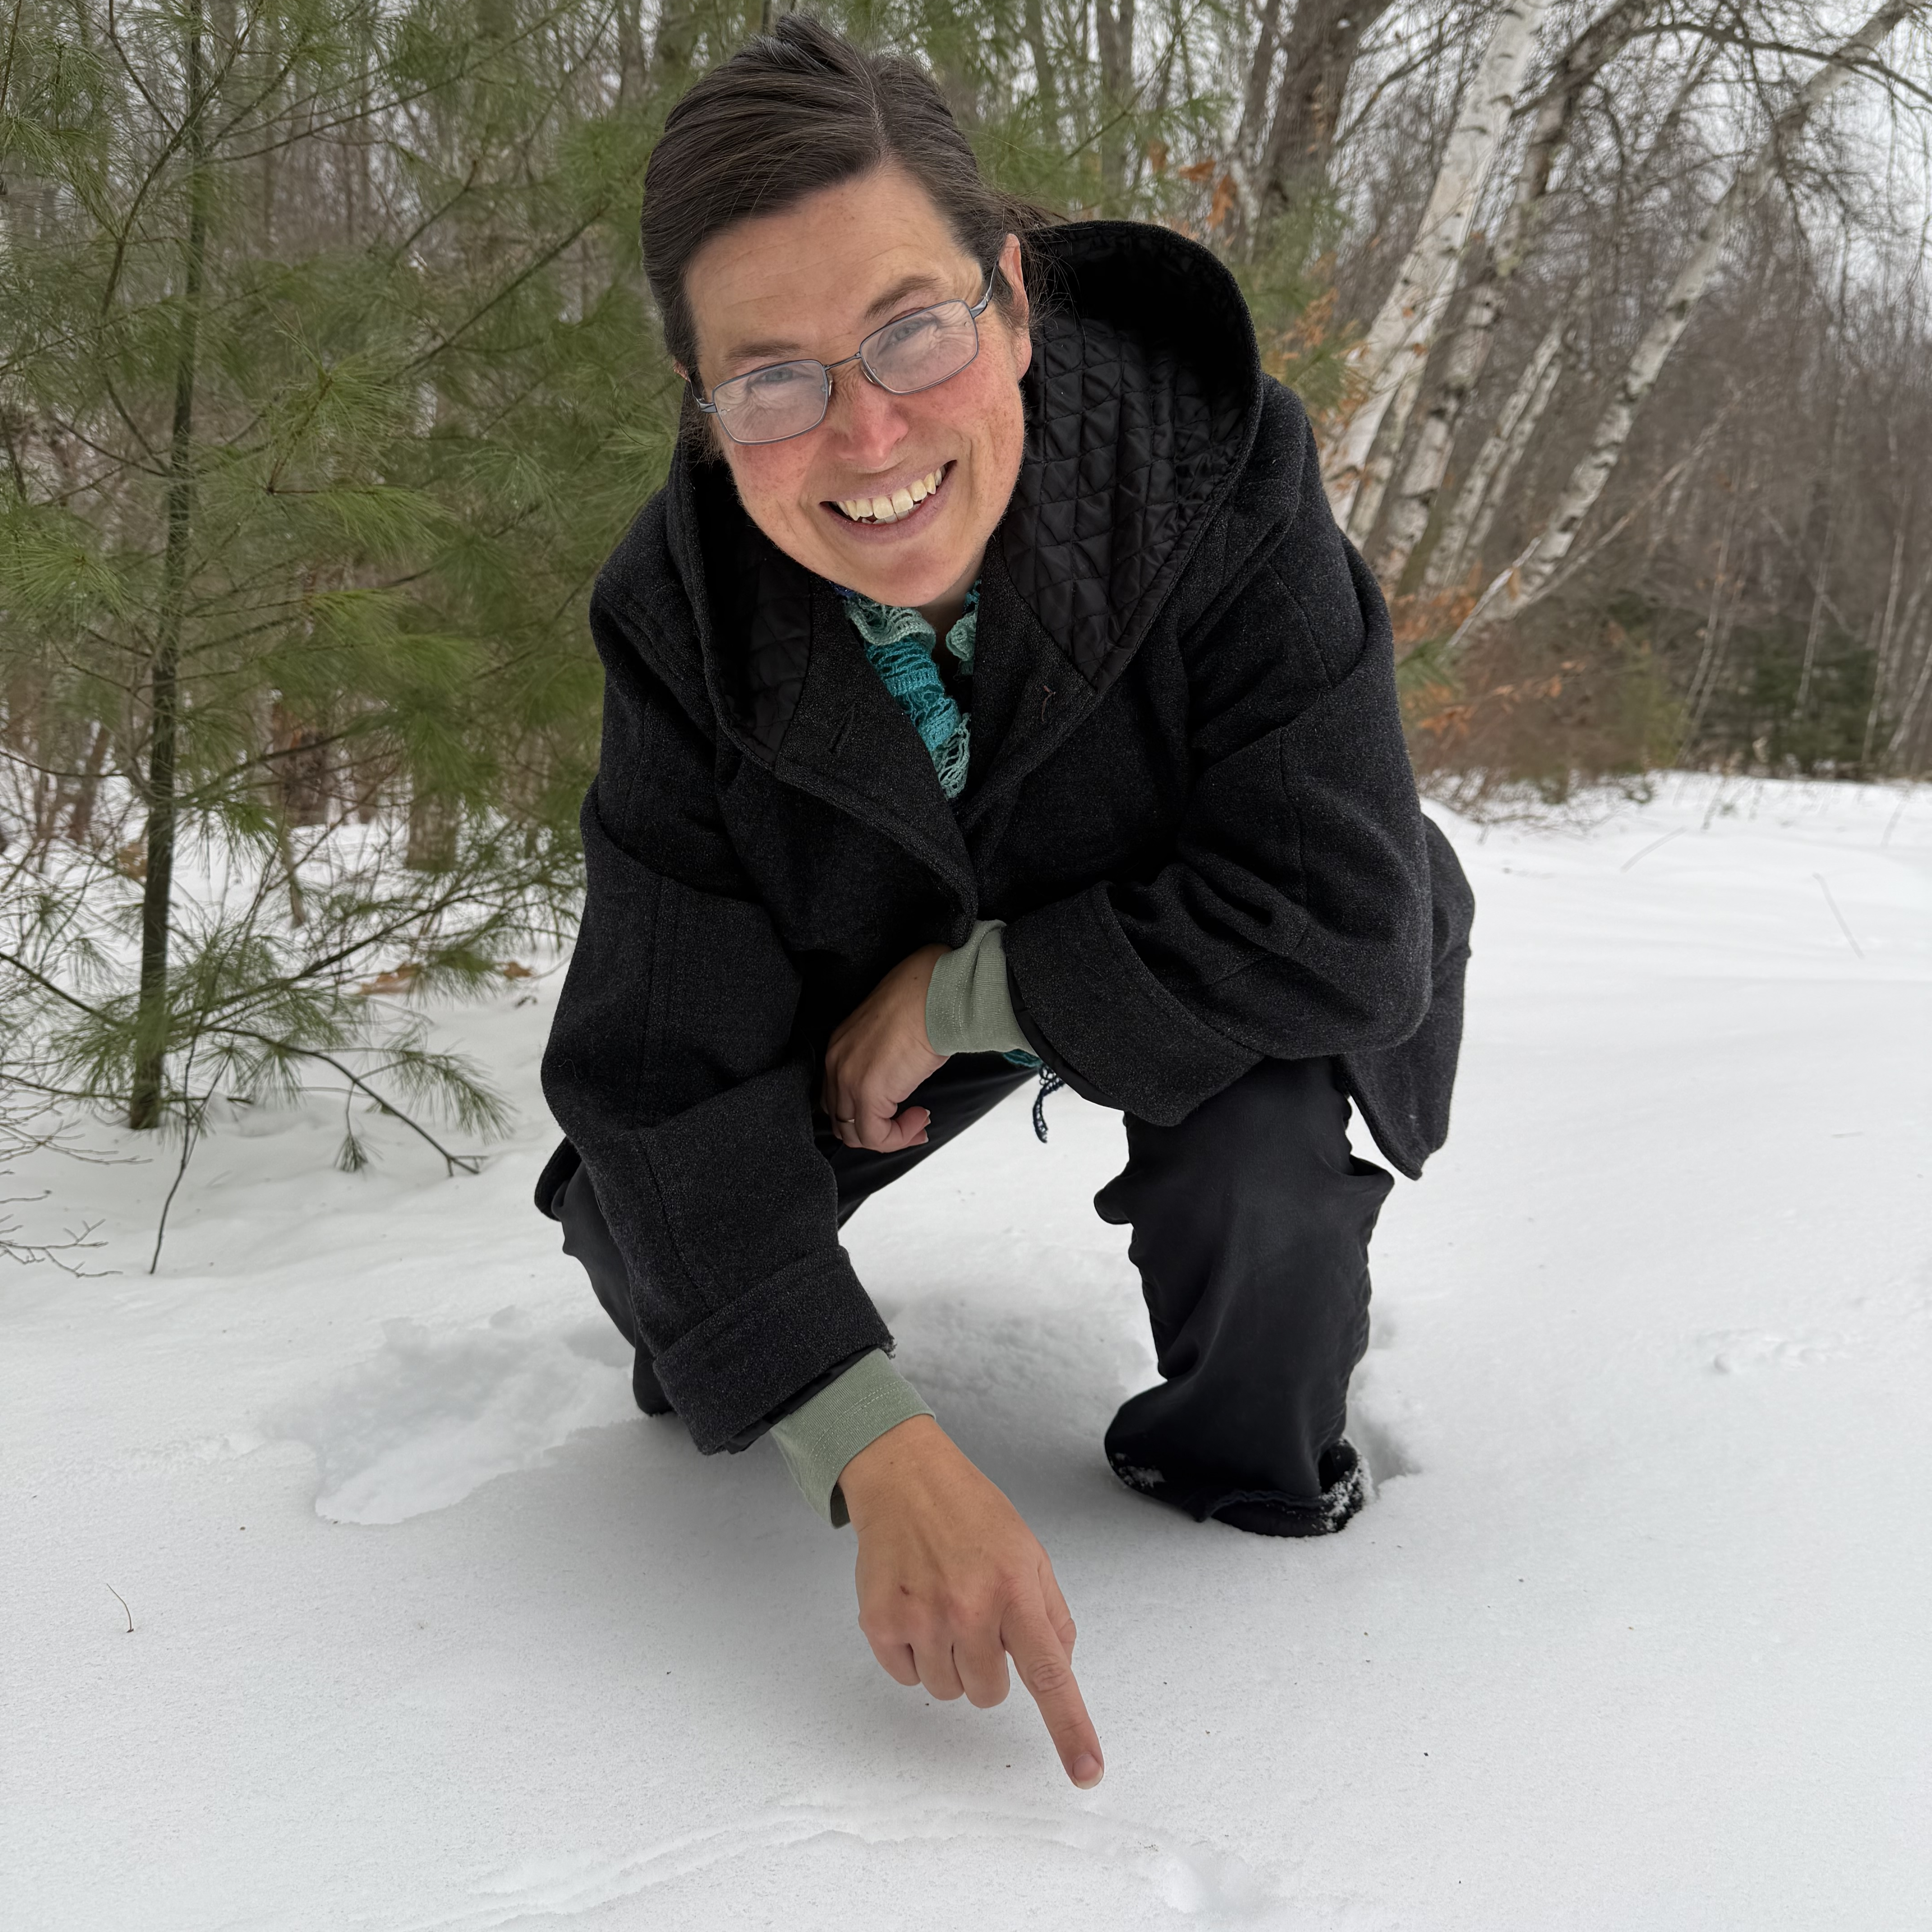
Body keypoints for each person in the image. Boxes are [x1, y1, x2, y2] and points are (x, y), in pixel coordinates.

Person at [535, 16, 1473, 1791]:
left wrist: (974, 991)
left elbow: (1346, 915)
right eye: (772, 378)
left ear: (1015, 303)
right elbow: (653, 1083)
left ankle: (1245, 1505)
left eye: (914, 329)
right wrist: (873, 1440)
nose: (867, 432)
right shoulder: (679, 619)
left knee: (1263, 1171)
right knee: (656, 1269)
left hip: (1211, 942)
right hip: (853, 990)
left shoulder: (1216, 466)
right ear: (705, 405)